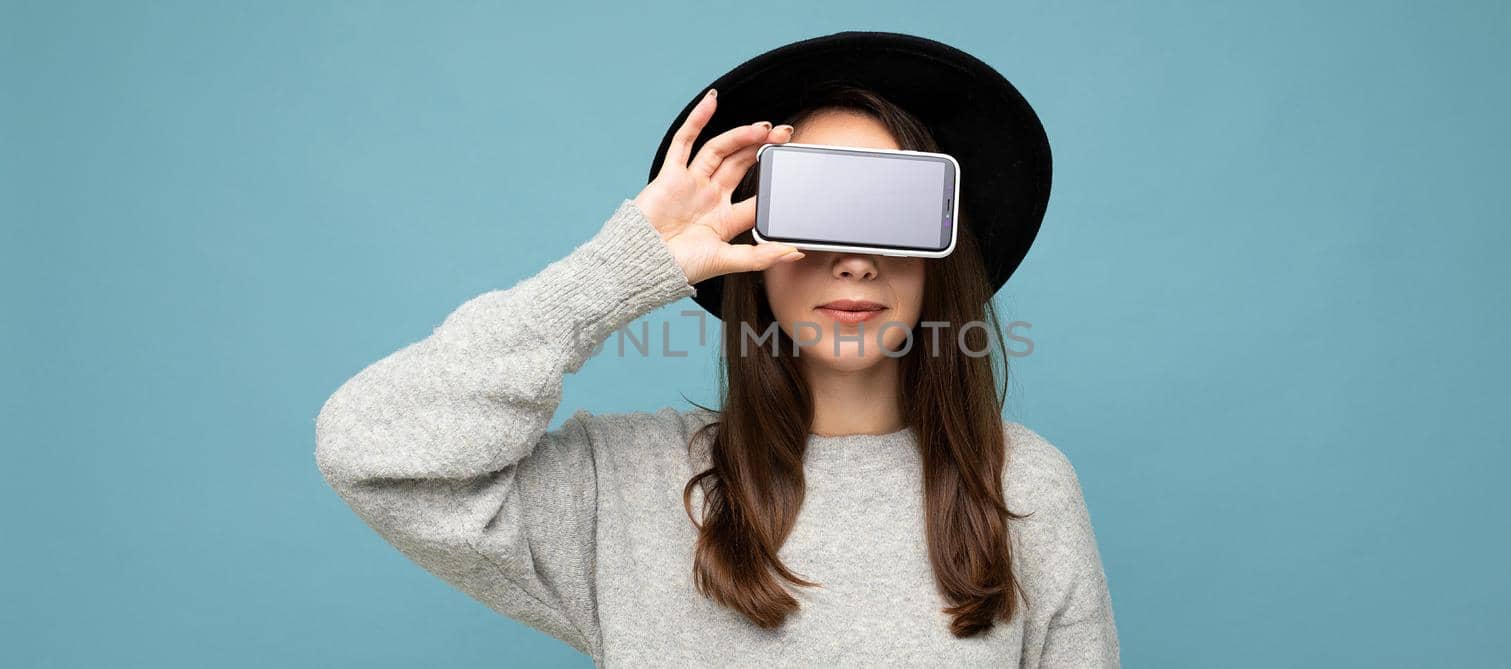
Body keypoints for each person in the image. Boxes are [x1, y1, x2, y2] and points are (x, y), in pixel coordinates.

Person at [316, 32, 1118, 668]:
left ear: (942, 250)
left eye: (889, 209)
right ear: (752, 238)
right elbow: (372, 450)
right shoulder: (623, 487)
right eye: (817, 205)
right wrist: (622, 268)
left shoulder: (1023, 486)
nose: (854, 256)